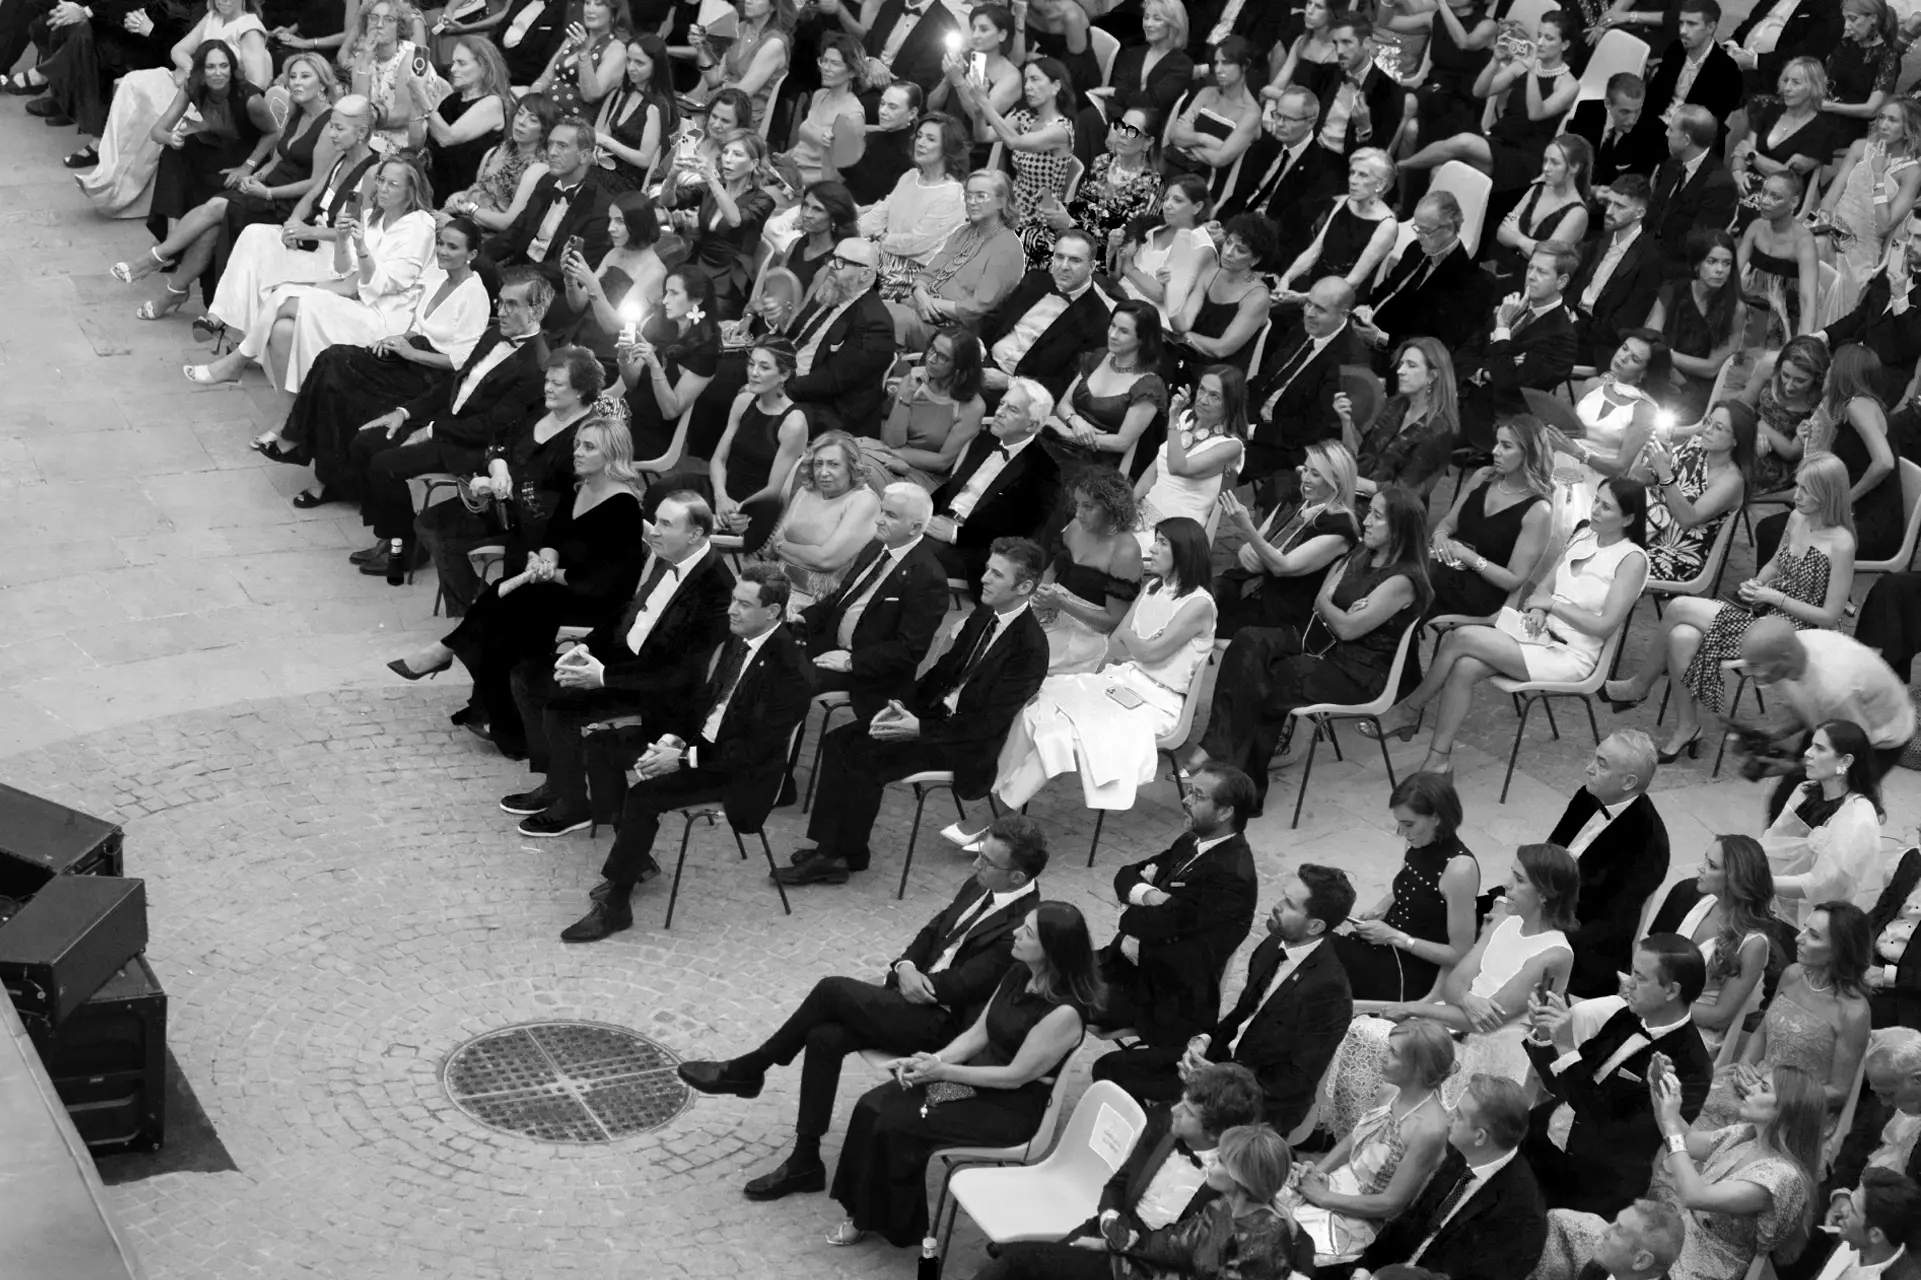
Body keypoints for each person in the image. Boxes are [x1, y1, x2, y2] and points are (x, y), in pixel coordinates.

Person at [679, 815, 1048, 1200]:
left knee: (831, 991)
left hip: (946, 1026)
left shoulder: (1024, 927)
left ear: (1018, 879)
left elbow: (966, 985)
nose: (976, 865)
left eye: (988, 862)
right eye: (980, 855)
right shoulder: (982, 883)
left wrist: (915, 985)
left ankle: (750, 1068)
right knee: (824, 1037)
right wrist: (904, 966)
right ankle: (805, 1159)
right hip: (915, 995)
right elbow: (934, 930)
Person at [555, 563, 814, 939]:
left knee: (645, 796)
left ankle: (616, 907)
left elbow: (752, 751)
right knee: (601, 746)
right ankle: (636, 860)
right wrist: (673, 738)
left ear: (772, 612)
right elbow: (706, 701)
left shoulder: (790, 671)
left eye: (743, 604)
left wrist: (680, 760)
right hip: (702, 747)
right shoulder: (741, 639)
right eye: (733, 600)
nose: (731, 610)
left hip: (741, 774)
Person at [825, 900, 1101, 1247]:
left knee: (898, 1121)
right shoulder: (1019, 973)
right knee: (872, 1105)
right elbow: (977, 1034)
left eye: (1027, 932)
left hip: (1007, 1106)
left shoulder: (1064, 1014)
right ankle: (862, 1211)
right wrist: (931, 1061)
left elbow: (1014, 1076)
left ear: (1051, 951)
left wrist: (945, 1072)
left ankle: (884, 1221)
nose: (1015, 932)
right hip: (974, 1082)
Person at [777, 538, 1049, 889]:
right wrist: (903, 707)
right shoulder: (984, 615)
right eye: (987, 569)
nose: (983, 579)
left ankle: (834, 857)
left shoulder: (1029, 647)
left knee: (866, 759)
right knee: (838, 740)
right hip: (933, 718)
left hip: (964, 742)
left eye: (996, 574)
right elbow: (941, 674)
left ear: (1024, 586)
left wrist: (919, 729)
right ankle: (843, 850)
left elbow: (987, 723)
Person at [398, 413, 651, 761]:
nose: (577, 452)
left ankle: (462, 672)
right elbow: (553, 537)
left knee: (511, 609)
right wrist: (545, 558)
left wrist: (554, 574)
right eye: (577, 444)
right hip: (563, 584)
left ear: (612, 456)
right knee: (502, 596)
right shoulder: (579, 488)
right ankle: (484, 704)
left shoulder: (622, 506)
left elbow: (612, 579)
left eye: (588, 447)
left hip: (595, 599)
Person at [1363, 479, 1650, 777]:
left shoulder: (1631, 559)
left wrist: (1553, 606)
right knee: (1465, 666)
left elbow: (1604, 627)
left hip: (1572, 655)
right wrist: (1540, 607)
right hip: (1538, 633)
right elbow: (1544, 588)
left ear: (1629, 518)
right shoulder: (1584, 533)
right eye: (1597, 501)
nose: (1596, 510)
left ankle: (1410, 709)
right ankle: (1438, 759)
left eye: (1607, 507)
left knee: (1460, 637)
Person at [495, 490, 735, 828]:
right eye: (657, 520)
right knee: (527, 677)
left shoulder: (716, 589)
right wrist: (585, 647)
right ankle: (559, 784)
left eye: (665, 524)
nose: (653, 531)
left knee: (560, 711)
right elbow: (632, 610)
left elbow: (680, 670)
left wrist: (603, 678)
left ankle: (574, 805)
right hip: (625, 659)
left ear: (695, 534)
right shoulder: (672, 553)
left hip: (658, 687)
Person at [1188, 487, 1432, 812]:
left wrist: (1331, 604)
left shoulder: (1403, 579)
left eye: (1376, 516)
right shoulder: (1363, 553)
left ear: (1399, 528)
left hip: (1359, 673)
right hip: (1324, 646)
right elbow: (1321, 599)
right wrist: (1334, 605)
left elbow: (1345, 626)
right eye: (1369, 512)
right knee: (1250, 640)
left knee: (1268, 680)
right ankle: (1222, 757)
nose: (1367, 521)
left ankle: (1239, 786)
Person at [1323, 844, 1577, 1138]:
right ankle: (1357, 1135)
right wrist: (1468, 998)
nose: (1508, 884)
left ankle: (1377, 1146)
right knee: (1357, 1030)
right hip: (1451, 1019)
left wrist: (1412, 1008)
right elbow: (1455, 982)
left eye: (1520, 880)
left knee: (1375, 1045)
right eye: (1512, 874)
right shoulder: (1506, 919)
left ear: (1545, 894)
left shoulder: (1555, 954)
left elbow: (1482, 1022)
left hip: (1488, 1049)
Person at [1622, 453, 1860, 755]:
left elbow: (1829, 616)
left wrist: (1776, 598)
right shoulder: (1798, 517)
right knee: (1681, 636)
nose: (1796, 496)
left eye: (1806, 491)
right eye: (1797, 486)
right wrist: (1757, 583)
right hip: (1765, 614)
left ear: (1828, 494)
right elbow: (1775, 564)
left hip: (1798, 634)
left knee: (1680, 606)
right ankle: (1688, 727)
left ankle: (1640, 685)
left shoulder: (1841, 543)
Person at [1093, 863, 1358, 1134]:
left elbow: (1295, 1080)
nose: (1277, 905)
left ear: (1314, 926)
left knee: (1170, 1124)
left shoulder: (1329, 992)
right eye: (1282, 896)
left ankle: (1157, 1150)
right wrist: (1203, 1043)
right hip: (1220, 1062)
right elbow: (1242, 1015)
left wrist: (1224, 1078)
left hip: (1259, 1100)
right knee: (1109, 1070)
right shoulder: (1272, 946)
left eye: (1290, 904)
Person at [988, 515, 1215, 815]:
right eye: (1156, 540)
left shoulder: (1199, 603)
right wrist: (1137, 643)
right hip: (1124, 679)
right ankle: (996, 788)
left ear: (1185, 553)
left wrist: (1136, 642)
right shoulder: (1153, 588)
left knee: (1059, 732)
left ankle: (999, 812)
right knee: (1037, 701)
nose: (1154, 549)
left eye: (1162, 543)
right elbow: (1120, 639)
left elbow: (1149, 652)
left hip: (1159, 700)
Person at [267, 215, 491, 512]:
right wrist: (397, 339)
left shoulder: (475, 294)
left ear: (472, 254)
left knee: (338, 375)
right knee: (331, 360)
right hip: (410, 355)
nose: (443, 251)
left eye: (453, 247)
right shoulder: (438, 277)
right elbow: (419, 327)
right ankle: (315, 462)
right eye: (440, 243)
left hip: (432, 375)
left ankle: (303, 450)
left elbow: (463, 362)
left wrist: (411, 354)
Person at [965, 1062, 1269, 1280]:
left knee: (1021, 1263)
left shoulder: (1236, 1177)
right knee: (1016, 1266)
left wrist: (1111, 1245)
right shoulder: (1163, 1126)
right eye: (1181, 1101)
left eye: (1188, 1112)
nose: (1174, 1110)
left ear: (1216, 1134)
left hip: (1149, 1267)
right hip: (1114, 1230)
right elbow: (1118, 1183)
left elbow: (1195, 1255)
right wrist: (1110, 1220)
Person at [344, 268, 555, 579]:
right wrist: (404, 412)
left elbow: (489, 427)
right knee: (364, 443)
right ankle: (392, 537)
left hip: (471, 446)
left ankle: (405, 551)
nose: (502, 310)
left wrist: (430, 431)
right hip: (447, 424)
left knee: (385, 465)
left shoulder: (535, 365)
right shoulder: (496, 333)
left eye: (512, 305)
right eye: (501, 302)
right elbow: (455, 384)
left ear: (535, 311)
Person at [113, 51, 340, 322]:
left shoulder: (329, 123)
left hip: (292, 202)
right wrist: (257, 175)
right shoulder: (297, 113)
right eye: (292, 76)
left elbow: (317, 183)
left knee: (217, 206)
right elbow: (277, 160)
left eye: (305, 76)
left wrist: (267, 192)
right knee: (211, 226)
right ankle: (174, 291)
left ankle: (157, 257)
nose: (297, 83)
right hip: (267, 188)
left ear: (323, 84)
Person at [185, 155, 438, 392]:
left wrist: (359, 250)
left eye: (393, 184)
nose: (383, 189)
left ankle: (236, 361)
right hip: (354, 299)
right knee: (282, 326)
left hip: (383, 316)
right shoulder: (372, 217)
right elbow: (342, 269)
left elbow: (385, 284)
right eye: (381, 180)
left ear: (411, 190)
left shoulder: (420, 225)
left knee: (284, 294)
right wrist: (341, 239)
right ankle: (286, 415)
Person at [1522, 934, 1717, 1217]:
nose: (1628, 982)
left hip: (1594, 1184)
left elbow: (1610, 1132)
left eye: (1640, 976)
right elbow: (1562, 1086)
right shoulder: (1627, 1016)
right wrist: (1544, 1035)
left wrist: (1565, 1047)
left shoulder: (1691, 1067)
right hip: (1544, 1138)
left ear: (1671, 991)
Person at [407, 343, 604, 617]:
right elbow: (499, 440)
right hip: (501, 505)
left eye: (557, 384)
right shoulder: (541, 409)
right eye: (547, 380)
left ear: (581, 390)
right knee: (429, 523)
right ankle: (476, 604)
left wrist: (499, 489)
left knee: (448, 539)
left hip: (538, 527)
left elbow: (561, 502)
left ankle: (486, 611)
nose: (547, 388)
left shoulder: (587, 436)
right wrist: (498, 470)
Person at [1086, 758, 1258, 1048]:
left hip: (1157, 994)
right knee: (1035, 967)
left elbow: (1144, 924)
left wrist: (1129, 906)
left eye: (1198, 796)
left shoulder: (1231, 877)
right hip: (1120, 964)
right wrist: (1149, 895)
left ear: (1225, 812)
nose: (1185, 799)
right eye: (1190, 791)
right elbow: (1126, 874)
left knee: (1055, 998)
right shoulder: (1191, 840)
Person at [188, 94, 380, 350]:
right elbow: (312, 196)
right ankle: (219, 316)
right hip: (313, 235)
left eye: (338, 128)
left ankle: (233, 330)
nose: (331, 133)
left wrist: (308, 232)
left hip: (336, 256)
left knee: (264, 258)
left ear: (362, 132)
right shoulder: (341, 156)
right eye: (331, 126)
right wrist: (293, 223)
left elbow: (353, 231)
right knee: (254, 234)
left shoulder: (371, 171)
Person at [74, 0, 271, 216]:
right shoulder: (212, 17)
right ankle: (109, 178)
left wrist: (209, 81)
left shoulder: (249, 29)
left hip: (220, 99)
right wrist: (193, 71)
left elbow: (258, 82)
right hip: (193, 83)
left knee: (159, 110)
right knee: (133, 84)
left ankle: (129, 190)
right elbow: (179, 50)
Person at [1286, 1018, 1454, 1264]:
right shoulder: (1390, 1090)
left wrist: (1322, 1197)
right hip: (1336, 1186)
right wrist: (1315, 1171)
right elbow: (1356, 1137)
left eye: (1393, 1053)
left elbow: (1391, 1204)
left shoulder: (1430, 1128)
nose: (1382, 1055)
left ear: (1419, 1068)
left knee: (1288, 1247)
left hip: (1366, 1217)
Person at [1695, 903, 1873, 1133]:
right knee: (1690, 1111)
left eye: (1814, 936)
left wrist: (1778, 1094)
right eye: (1805, 928)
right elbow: (1762, 1031)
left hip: (1793, 1110)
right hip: (1754, 1085)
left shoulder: (1854, 1012)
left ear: (1840, 950)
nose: (1799, 938)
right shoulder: (1793, 974)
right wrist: (1744, 1064)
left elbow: (1839, 1091)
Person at [1353, 1074, 1550, 1280]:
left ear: (1480, 1137)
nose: (1448, 1116)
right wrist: (1365, 1267)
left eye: (1459, 1114)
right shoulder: (1464, 1154)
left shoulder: (1522, 1218)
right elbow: (1413, 1220)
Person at [1643, 1063, 1823, 1280]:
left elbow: (1693, 1196)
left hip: (1702, 1272)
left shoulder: (1783, 1177)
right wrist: (1659, 1089)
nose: (1751, 1088)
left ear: (1787, 1110)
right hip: (1673, 1246)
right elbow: (1686, 1140)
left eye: (1764, 1088)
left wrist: (1672, 1123)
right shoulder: (1746, 1136)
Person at [1395, 9, 1578, 207]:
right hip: (1499, 141)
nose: (1540, 43)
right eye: (1540, 36)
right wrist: (1495, 60)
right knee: (1438, 171)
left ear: (1565, 45)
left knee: (1464, 142)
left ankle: (1399, 166)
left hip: (1527, 157)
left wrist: (1533, 71)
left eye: (1549, 39)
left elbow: (1536, 113)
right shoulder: (1521, 67)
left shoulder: (1568, 84)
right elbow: (1480, 91)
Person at [797, 482, 950, 718]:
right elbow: (840, 599)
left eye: (890, 515)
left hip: (867, 668)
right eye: (881, 511)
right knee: (767, 647)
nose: (878, 520)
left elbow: (909, 650)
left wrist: (852, 662)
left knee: (791, 680)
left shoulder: (927, 578)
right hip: (829, 643)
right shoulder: (876, 546)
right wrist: (799, 620)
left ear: (915, 527)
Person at [1332, 773, 1481, 1004]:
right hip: (1385, 944)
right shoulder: (1417, 841)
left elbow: (1460, 953)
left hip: (1411, 969)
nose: (1402, 832)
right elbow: (1406, 889)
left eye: (1409, 824)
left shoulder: (1460, 869)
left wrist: (1397, 938)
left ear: (1437, 818)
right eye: (1400, 823)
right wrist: (1378, 909)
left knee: (1322, 957)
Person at [1101, 1124, 1313, 1279]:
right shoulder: (1221, 1208)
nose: (1209, 1161)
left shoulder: (1264, 1240)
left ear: (1241, 1178)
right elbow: (1175, 1245)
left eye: (1219, 1159)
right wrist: (1130, 1243)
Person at [1757, 344, 1901, 567]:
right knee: (1776, 528)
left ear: (1844, 372)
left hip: (1870, 526)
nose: (1827, 372)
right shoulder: (1845, 410)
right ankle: (1769, 595)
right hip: (1859, 517)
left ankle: (1768, 596)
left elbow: (1884, 462)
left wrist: (1843, 502)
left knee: (1773, 531)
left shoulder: (1858, 405)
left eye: (1832, 367)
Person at [1649, 835, 1780, 1059]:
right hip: (1663, 1002)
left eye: (1711, 866)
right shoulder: (1706, 902)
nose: (1701, 868)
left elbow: (1721, 1016)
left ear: (1734, 880)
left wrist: (1661, 1002)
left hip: (1696, 1030)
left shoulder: (1754, 944)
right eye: (1706, 860)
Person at [1212, 439, 1361, 636]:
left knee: (1201, 621)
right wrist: (1245, 550)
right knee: (1197, 595)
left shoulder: (1339, 528)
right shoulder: (1296, 500)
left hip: (1280, 608)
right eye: (1305, 470)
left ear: (1336, 482)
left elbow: (1282, 567)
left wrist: (1247, 529)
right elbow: (1258, 543)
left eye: (1315, 474)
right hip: (1249, 585)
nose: (1305, 478)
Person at [925, 380, 1062, 590]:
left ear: (1032, 425)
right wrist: (923, 510)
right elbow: (953, 486)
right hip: (940, 522)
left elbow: (1020, 534)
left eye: (1012, 409)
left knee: (904, 549)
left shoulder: (1043, 471)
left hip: (973, 548)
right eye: (1002, 404)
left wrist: (956, 535)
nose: (999, 412)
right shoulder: (984, 440)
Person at [141, 40, 272, 253]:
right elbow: (157, 131)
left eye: (223, 66)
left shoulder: (249, 97)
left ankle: (173, 246)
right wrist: (170, 138)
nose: (217, 73)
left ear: (232, 67)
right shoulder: (192, 87)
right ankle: (173, 239)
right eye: (211, 67)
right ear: (201, 70)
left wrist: (247, 167)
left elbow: (273, 133)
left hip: (246, 154)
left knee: (186, 150)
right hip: (217, 147)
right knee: (174, 152)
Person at [1453, 242, 1580, 456]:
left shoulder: (1561, 337)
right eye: (1530, 267)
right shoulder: (1513, 305)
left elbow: (1507, 383)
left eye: (1541, 271)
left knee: (1417, 436)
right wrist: (1485, 373)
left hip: (1496, 421)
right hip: (1461, 398)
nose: (1530, 276)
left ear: (1561, 281)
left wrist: (1502, 327)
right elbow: (1463, 354)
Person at [1422, 415, 1554, 623]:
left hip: (1482, 591)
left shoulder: (1538, 510)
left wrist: (1468, 557)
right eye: (1497, 443)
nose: (1495, 451)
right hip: (1447, 568)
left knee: (1410, 585)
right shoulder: (1483, 476)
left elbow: (1513, 580)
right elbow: (1448, 523)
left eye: (1506, 446)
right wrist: (1439, 537)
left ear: (1528, 453)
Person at [958, 55, 1079, 272]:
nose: (1028, 87)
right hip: (1014, 204)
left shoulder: (1061, 130)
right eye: (1026, 81)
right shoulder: (1026, 118)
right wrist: (979, 109)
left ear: (1055, 86)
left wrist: (986, 102)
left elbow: (1014, 142)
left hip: (1040, 217)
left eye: (1035, 80)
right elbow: (983, 135)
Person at [1243, 276, 1367, 487]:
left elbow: (1312, 430)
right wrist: (1233, 404)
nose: (1309, 313)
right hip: (1258, 419)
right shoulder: (1304, 328)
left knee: (1213, 462)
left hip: (1287, 448)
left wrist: (1249, 430)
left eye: (1320, 309)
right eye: (1308, 303)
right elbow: (1267, 378)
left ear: (1342, 315)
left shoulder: (1349, 364)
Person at [1766, 722, 1891, 926]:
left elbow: (1820, 886)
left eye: (1820, 748)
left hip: (1807, 921)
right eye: (1811, 745)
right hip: (1769, 895)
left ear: (1846, 760)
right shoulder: (1805, 789)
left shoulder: (1857, 820)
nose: (1808, 753)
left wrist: (1756, 882)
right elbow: (1771, 841)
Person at [885, 168, 1024, 349]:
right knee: (866, 309)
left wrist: (928, 303)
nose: (972, 202)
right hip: (923, 308)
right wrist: (919, 294)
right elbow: (927, 274)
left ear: (1001, 201)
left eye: (981, 196)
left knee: (877, 316)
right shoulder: (963, 232)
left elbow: (976, 309)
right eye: (968, 195)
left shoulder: (1007, 248)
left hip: (955, 333)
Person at [1027, 468, 1146, 675]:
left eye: (1088, 507)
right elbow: (1051, 571)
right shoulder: (1076, 526)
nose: (1078, 513)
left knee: (1021, 662)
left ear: (1111, 509)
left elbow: (1113, 621)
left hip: (1083, 633)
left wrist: (1062, 603)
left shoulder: (1125, 551)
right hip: (1050, 609)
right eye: (1078, 505)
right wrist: (1040, 599)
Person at [976, 230, 1116, 400]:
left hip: (1020, 393)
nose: (1064, 266)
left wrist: (1010, 383)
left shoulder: (1099, 319)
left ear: (1092, 267)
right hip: (981, 360)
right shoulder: (1035, 280)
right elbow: (993, 319)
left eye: (1075, 260)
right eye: (1059, 257)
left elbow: (1067, 383)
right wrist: (977, 345)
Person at [483, 114, 616, 292]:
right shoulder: (547, 181)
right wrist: (477, 254)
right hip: (520, 268)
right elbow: (515, 233)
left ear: (584, 156)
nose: (552, 152)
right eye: (551, 144)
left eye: (562, 146)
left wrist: (510, 275)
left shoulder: (601, 207)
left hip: (555, 290)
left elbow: (569, 269)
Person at [781, 236, 898, 434]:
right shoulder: (831, 290)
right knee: (727, 371)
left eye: (841, 262)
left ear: (865, 274)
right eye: (833, 258)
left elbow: (832, 380)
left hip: (832, 410)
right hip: (792, 377)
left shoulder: (874, 323)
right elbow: (794, 337)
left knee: (765, 407)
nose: (832, 266)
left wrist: (781, 388)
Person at [705, 335, 808, 554]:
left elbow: (774, 490)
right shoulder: (743, 401)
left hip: (756, 507)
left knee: (684, 526)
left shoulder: (794, 422)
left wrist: (738, 509)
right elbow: (719, 460)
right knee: (665, 492)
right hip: (724, 491)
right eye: (751, 364)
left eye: (764, 367)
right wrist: (721, 497)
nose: (753, 372)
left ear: (784, 375)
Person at [1044, 302, 1169, 480]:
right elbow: (1065, 403)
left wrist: (1067, 434)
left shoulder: (1149, 386)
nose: (1112, 334)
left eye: (1123, 331)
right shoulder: (1098, 357)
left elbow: (1122, 442)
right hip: (1059, 440)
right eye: (1112, 326)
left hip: (1096, 463)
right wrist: (1075, 420)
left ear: (1142, 339)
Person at [1638, 398, 1753, 584]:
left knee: (1611, 565)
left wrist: (1665, 473)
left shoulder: (1731, 480)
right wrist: (1651, 460)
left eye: (1719, 428)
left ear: (1736, 440)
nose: (1707, 430)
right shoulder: (1695, 446)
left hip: (1676, 556)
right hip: (1649, 531)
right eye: (1709, 422)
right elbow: (1645, 480)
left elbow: (1688, 519)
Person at [1550, 330, 1672, 501]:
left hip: (1599, 480)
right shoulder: (1592, 385)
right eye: (1624, 348)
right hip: (1562, 462)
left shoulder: (1645, 410)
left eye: (1634, 359)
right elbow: (1571, 432)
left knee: (1562, 496)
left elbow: (1622, 468)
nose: (1622, 357)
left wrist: (1579, 453)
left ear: (1644, 373)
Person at [1041, 103, 1162, 272]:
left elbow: (1125, 244)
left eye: (1132, 130)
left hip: (1102, 260)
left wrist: (1071, 225)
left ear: (1148, 142)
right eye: (1121, 126)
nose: (1122, 134)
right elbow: (1080, 206)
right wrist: (1058, 209)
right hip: (1071, 239)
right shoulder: (1102, 162)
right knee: (1026, 236)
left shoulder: (1151, 185)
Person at [764, 431, 882, 602]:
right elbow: (771, 546)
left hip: (820, 599)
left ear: (851, 467)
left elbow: (825, 560)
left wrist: (782, 547)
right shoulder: (807, 490)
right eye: (818, 464)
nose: (823, 472)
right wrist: (790, 550)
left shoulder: (863, 501)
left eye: (833, 464)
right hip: (778, 581)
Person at [1818, 214, 1921, 405]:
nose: (1910, 244)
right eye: (1910, 235)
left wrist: (1900, 298)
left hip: (1883, 377)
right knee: (1801, 360)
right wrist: (1824, 335)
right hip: (1851, 355)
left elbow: (1912, 348)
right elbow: (1860, 316)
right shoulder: (1894, 266)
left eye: (1920, 238)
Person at [858, 113, 968, 292]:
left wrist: (881, 238)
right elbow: (880, 214)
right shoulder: (910, 176)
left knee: (854, 285)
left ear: (947, 148)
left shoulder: (951, 193)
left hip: (914, 271)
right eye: (919, 136)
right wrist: (852, 231)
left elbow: (915, 243)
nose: (921, 143)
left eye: (930, 139)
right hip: (883, 252)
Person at [1134, 365, 1246, 533]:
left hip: (1177, 531)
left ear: (1230, 403)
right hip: (1144, 512)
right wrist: (1129, 505)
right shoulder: (1186, 417)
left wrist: (1172, 418)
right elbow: (1155, 469)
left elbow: (1178, 467)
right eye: (1202, 389)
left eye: (1214, 395)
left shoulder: (1231, 447)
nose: (1202, 399)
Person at [1644, 229, 1741, 422]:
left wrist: (1666, 355)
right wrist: (1668, 366)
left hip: (1697, 388)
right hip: (1660, 372)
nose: (1720, 269)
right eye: (1712, 261)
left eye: (1726, 263)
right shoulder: (1671, 291)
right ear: (1697, 264)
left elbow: (1712, 368)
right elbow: (1649, 341)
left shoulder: (1736, 308)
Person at [1279, 148, 1399, 303]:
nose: (1353, 180)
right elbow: (1314, 251)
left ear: (1380, 184)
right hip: (1313, 286)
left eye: (1362, 175)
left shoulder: (1387, 226)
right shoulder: (1344, 202)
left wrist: (1301, 299)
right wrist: (1286, 279)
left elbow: (1353, 281)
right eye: (1352, 173)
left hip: (1340, 301)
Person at [1571, 176, 1667, 371]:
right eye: (1609, 203)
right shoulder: (1601, 239)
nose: (1609, 212)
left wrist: (1575, 325)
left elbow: (1623, 326)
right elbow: (1575, 287)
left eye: (1620, 206)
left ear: (1639, 212)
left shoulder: (1650, 259)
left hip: (1598, 344)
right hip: (1572, 324)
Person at [1345, 337, 1457, 499]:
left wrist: (1350, 481)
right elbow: (1362, 457)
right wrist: (1347, 422)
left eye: (1411, 365)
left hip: (1392, 513)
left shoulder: (1439, 430)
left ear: (1432, 376)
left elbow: (1406, 492)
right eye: (1401, 364)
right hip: (1356, 494)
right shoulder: (1393, 406)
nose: (1400, 371)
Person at [879, 327, 986, 491]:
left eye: (942, 357)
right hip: (889, 456)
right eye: (932, 350)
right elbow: (892, 440)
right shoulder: (912, 381)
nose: (931, 359)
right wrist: (907, 396)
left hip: (925, 475)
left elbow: (942, 462)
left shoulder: (972, 407)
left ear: (959, 367)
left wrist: (896, 454)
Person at [1168, 214, 1276, 378]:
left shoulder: (1257, 297)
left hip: (1217, 374)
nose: (1229, 252)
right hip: (1186, 354)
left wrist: (1184, 337)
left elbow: (1222, 348)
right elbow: (1184, 323)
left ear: (1254, 260)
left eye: (1240, 250)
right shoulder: (1210, 274)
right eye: (1228, 242)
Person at [1161, 38, 1260, 212]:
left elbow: (1220, 159)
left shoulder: (1250, 113)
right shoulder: (1207, 93)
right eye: (1216, 63)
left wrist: (1189, 140)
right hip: (1173, 163)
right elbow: (1174, 136)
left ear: (1245, 65)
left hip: (1204, 182)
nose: (1218, 70)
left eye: (1226, 63)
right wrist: (1204, 138)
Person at [1732, 58, 1834, 223]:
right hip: (1746, 182)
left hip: (1781, 195)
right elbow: (1742, 149)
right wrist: (1737, 173)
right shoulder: (1769, 109)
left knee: (1740, 213)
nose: (1787, 88)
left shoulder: (1821, 130)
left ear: (1813, 88)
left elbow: (1786, 175)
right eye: (1786, 80)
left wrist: (1752, 155)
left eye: (1795, 83)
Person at [1487, 136, 1593, 292]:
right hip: (1501, 268)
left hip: (1529, 286)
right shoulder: (1536, 190)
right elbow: (1502, 233)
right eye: (1545, 160)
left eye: (1554, 163)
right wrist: (1530, 246)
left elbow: (1546, 259)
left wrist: (1517, 237)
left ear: (1574, 168)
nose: (1546, 168)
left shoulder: (1577, 212)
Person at [442, 92, 557, 233]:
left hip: (488, 234)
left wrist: (468, 208)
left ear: (544, 131)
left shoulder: (539, 168)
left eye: (532, 120)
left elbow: (508, 223)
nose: (521, 121)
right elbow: (479, 189)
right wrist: (460, 196)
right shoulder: (497, 150)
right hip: (465, 217)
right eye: (520, 113)